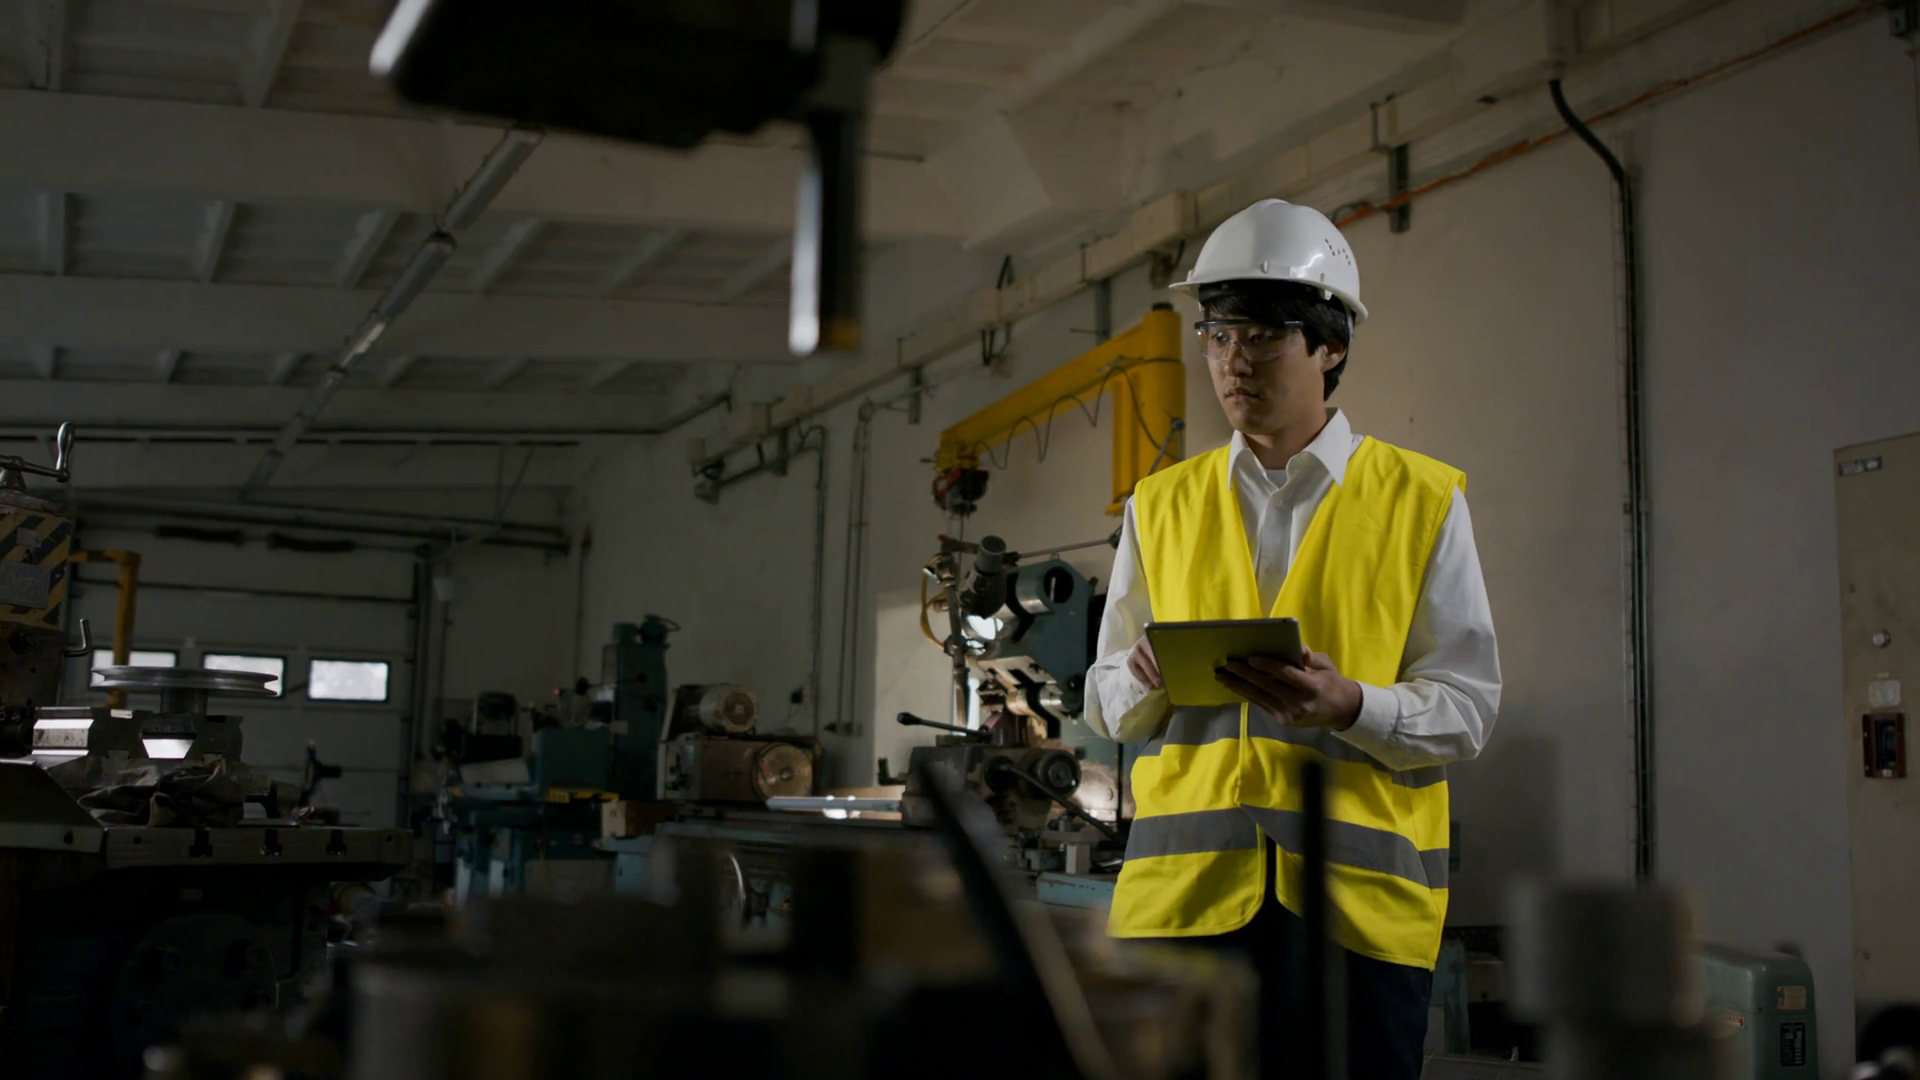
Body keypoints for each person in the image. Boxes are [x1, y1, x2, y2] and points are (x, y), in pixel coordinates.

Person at [1086, 198, 1501, 1079]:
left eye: (1265, 334)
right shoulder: (1160, 505)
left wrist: (1352, 704)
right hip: (1184, 915)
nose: (1233, 361)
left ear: (1331, 346)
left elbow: (1467, 710)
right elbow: (1109, 703)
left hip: (1355, 921)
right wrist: (1144, 674)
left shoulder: (1423, 500)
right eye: (1217, 333)